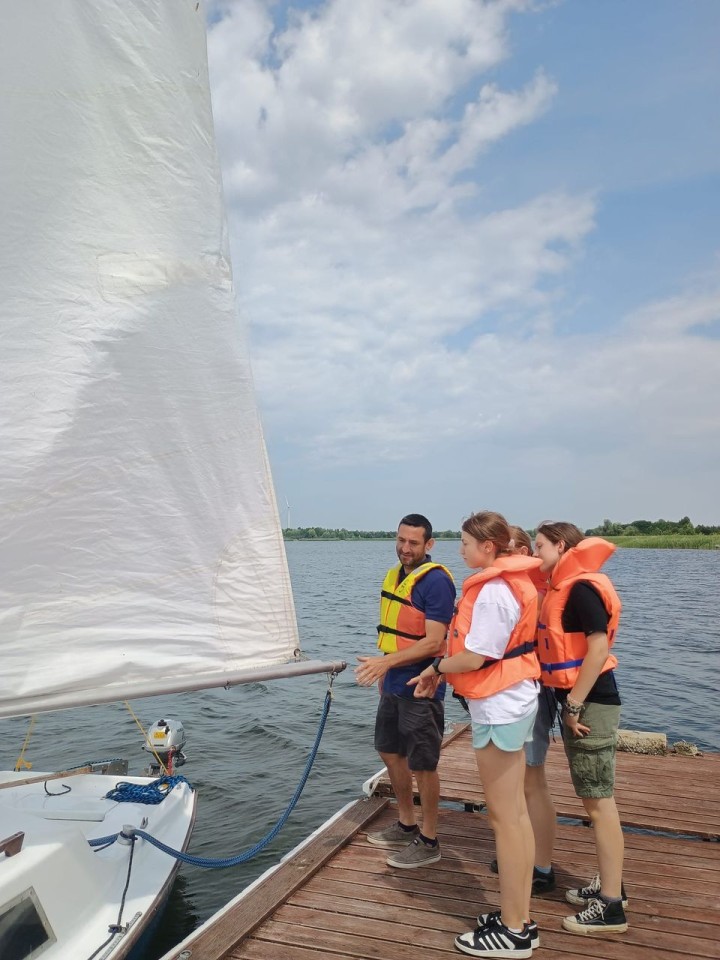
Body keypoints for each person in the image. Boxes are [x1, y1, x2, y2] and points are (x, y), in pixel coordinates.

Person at [410, 511, 542, 958]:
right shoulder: (505, 585)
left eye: (465, 542)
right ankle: (519, 918)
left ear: (488, 547)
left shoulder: (493, 593)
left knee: (506, 820)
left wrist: (435, 667)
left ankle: (513, 931)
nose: (460, 549)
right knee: (515, 816)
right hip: (512, 700)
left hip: (501, 708)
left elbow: (473, 657)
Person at [533, 521, 628, 936]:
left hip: (590, 703)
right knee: (596, 801)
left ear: (560, 546)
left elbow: (598, 648)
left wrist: (572, 705)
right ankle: (611, 885)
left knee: (599, 803)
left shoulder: (580, 588)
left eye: (539, 546)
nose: (535, 553)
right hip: (583, 702)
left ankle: (611, 906)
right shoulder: (565, 586)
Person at [355, 514, 455, 868]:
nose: (405, 548)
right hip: (394, 679)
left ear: (429, 544)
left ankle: (429, 840)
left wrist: (385, 664)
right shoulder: (396, 575)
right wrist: (386, 667)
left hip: (421, 683)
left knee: (423, 764)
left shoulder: (436, 582)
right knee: (389, 751)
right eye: (401, 540)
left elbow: (435, 642)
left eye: (413, 542)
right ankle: (406, 822)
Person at [489, 526, 558, 894]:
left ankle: (542, 866)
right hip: (512, 691)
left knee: (532, 780)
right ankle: (521, 856)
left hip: (531, 690)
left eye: (512, 550)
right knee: (517, 785)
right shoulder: (513, 586)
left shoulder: (530, 589)